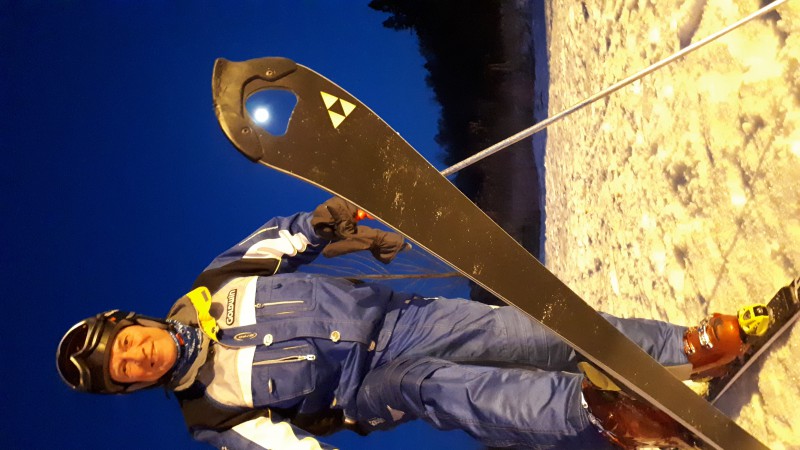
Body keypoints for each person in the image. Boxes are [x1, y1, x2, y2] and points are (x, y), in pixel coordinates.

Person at [56, 198, 770, 449]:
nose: (140, 357)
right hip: (367, 387)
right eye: (127, 371)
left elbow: (284, 238)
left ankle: (686, 349)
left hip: (403, 317)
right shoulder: (210, 414)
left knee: (538, 334)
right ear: (133, 387)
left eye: (128, 345)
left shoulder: (217, 283)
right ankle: (607, 417)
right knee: (445, 388)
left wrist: (328, 221)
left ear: (133, 322)